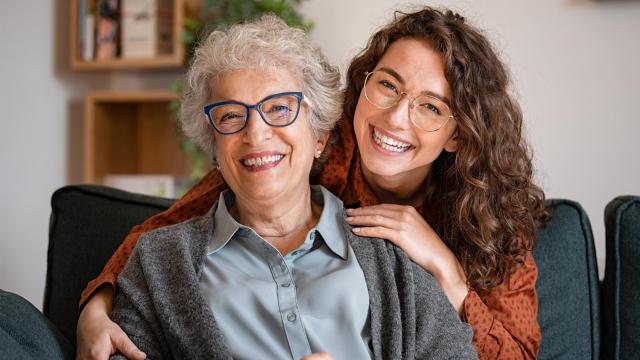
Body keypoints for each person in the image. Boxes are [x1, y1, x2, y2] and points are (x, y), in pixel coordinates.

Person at [78, 7, 547, 360]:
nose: (395, 118)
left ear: (456, 133)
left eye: (431, 106)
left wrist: (447, 272)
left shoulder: (486, 222)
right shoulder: (311, 147)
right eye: (388, 85)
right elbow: (162, 235)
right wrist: (96, 304)